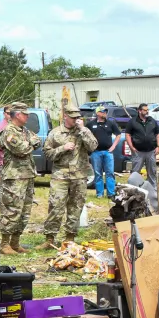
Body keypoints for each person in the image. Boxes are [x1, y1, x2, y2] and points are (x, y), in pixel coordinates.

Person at [41, 103, 98, 247]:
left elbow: (93, 146)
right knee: (56, 206)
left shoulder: (83, 131)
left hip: (79, 175)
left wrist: (83, 129)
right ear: (65, 116)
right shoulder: (55, 133)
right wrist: (62, 148)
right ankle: (50, 239)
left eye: (77, 117)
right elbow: (47, 154)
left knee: (76, 207)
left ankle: (70, 238)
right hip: (60, 175)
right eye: (72, 117)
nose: (75, 120)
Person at [0, 103, 41, 254]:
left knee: (24, 211)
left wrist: (30, 143)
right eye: (25, 113)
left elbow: (38, 141)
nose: (27, 116)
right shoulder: (8, 131)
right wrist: (30, 144)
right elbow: (22, 149)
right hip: (13, 177)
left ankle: (15, 243)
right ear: (17, 115)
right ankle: (4, 244)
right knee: (11, 210)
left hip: (27, 174)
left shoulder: (25, 130)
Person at [86, 107, 122, 199]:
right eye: (102, 111)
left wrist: (113, 146)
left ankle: (111, 193)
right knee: (98, 174)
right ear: (97, 113)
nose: (105, 113)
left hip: (108, 152)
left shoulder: (110, 123)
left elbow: (118, 134)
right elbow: (84, 135)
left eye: (105, 111)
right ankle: (99, 194)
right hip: (95, 153)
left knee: (110, 173)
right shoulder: (91, 124)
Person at [126, 103, 159, 184]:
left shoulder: (152, 120)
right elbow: (127, 134)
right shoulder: (133, 121)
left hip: (151, 151)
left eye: (147, 110)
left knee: (152, 172)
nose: (147, 112)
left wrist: (158, 146)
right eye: (145, 110)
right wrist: (131, 147)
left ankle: (153, 192)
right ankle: (133, 190)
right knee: (135, 173)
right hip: (138, 152)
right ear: (139, 111)